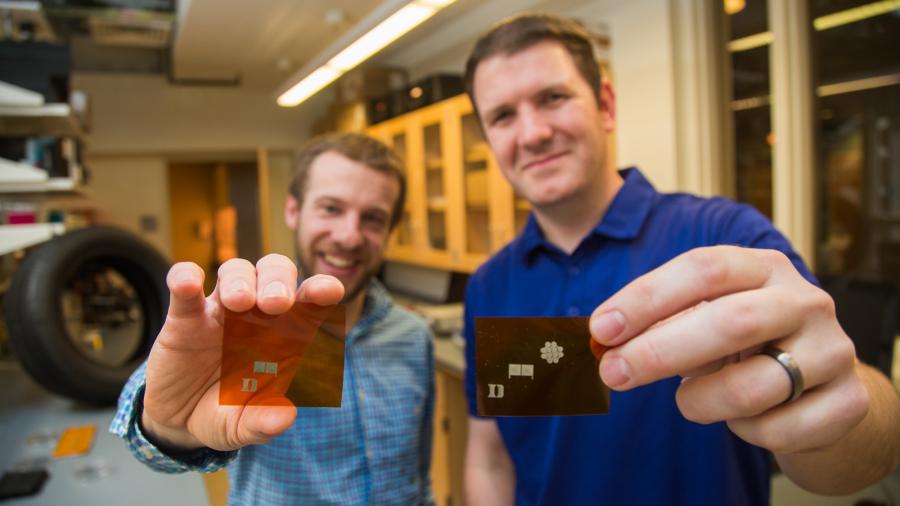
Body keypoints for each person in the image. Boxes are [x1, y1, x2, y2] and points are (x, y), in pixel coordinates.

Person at [461, 12, 900, 506]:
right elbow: (489, 456)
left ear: (605, 105)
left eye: (553, 98)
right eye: (502, 116)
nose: (533, 132)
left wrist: (836, 412)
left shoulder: (722, 238)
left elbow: (871, 445)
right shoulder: (488, 285)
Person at [110, 133, 435, 504]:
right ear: (293, 210)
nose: (349, 236)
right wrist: (169, 429)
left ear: (390, 231)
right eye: (331, 208)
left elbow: (420, 474)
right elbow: (151, 435)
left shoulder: (412, 336)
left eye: (373, 218)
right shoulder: (255, 324)